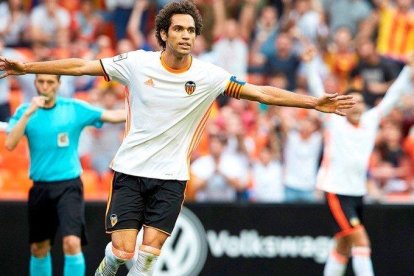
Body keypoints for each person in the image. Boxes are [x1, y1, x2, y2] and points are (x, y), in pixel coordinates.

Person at [0, 1, 355, 275]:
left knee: (149, 257)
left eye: (191, 30)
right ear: (164, 34)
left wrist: (314, 102)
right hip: (130, 171)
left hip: (172, 178)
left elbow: (261, 93)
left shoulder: (209, 75)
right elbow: (82, 66)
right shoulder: (137, 64)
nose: (186, 35)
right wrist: (28, 67)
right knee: (121, 254)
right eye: (179, 29)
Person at [303, 47, 414, 276]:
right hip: (335, 190)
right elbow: (316, 92)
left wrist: (407, 70)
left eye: (361, 102)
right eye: (352, 101)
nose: (357, 106)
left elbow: (392, 96)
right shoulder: (334, 121)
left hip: (356, 192)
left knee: (343, 245)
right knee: (361, 241)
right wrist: (311, 63)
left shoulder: (371, 120)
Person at [4, 73, 126, 276]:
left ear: (58, 84)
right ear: (35, 84)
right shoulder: (25, 111)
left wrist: (146, 114)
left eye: (50, 82)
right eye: (41, 81)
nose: (45, 86)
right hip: (41, 187)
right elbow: (10, 143)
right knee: (39, 248)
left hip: (69, 186)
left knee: (71, 242)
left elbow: (110, 116)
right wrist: (28, 114)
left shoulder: (73, 109)